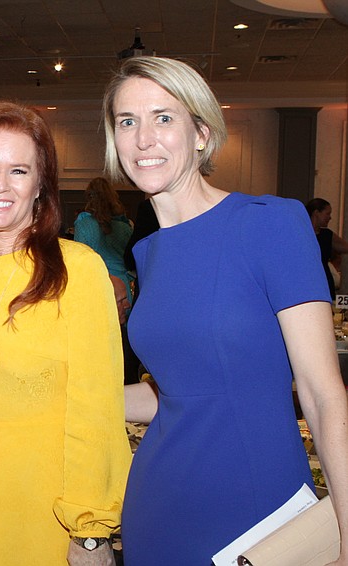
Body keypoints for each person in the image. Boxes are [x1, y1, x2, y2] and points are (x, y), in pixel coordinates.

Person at [104, 56, 348, 564]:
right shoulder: (148, 254)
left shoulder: (270, 224)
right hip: (157, 505)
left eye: (163, 117)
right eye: (127, 122)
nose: (144, 138)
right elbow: (182, 394)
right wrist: (59, 391)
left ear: (200, 132)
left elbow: (324, 395)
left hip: (255, 508)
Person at [0, 101, 130, 565]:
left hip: (47, 509)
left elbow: (96, 412)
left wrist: (91, 531)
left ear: (40, 185)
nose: (0, 185)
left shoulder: (78, 271)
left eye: (19, 170)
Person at [74, 176, 134, 300]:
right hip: (123, 288)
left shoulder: (83, 223)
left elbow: (79, 261)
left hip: (97, 284)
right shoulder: (125, 226)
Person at [307, 197, 348, 299]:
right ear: (316, 213)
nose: (330, 217)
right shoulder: (301, 233)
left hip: (324, 280)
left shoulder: (327, 235)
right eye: (327, 214)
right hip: (307, 280)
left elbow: (345, 247)